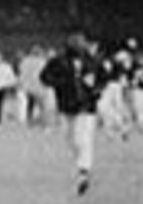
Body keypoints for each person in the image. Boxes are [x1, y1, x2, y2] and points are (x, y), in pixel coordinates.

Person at [39, 30, 109, 194]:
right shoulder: (58, 61)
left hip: (86, 106)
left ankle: (83, 171)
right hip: (66, 105)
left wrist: (96, 90)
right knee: (69, 139)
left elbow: (104, 78)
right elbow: (44, 77)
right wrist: (61, 83)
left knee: (82, 138)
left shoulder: (93, 61)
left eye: (80, 41)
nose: (78, 44)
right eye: (74, 41)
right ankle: (82, 166)